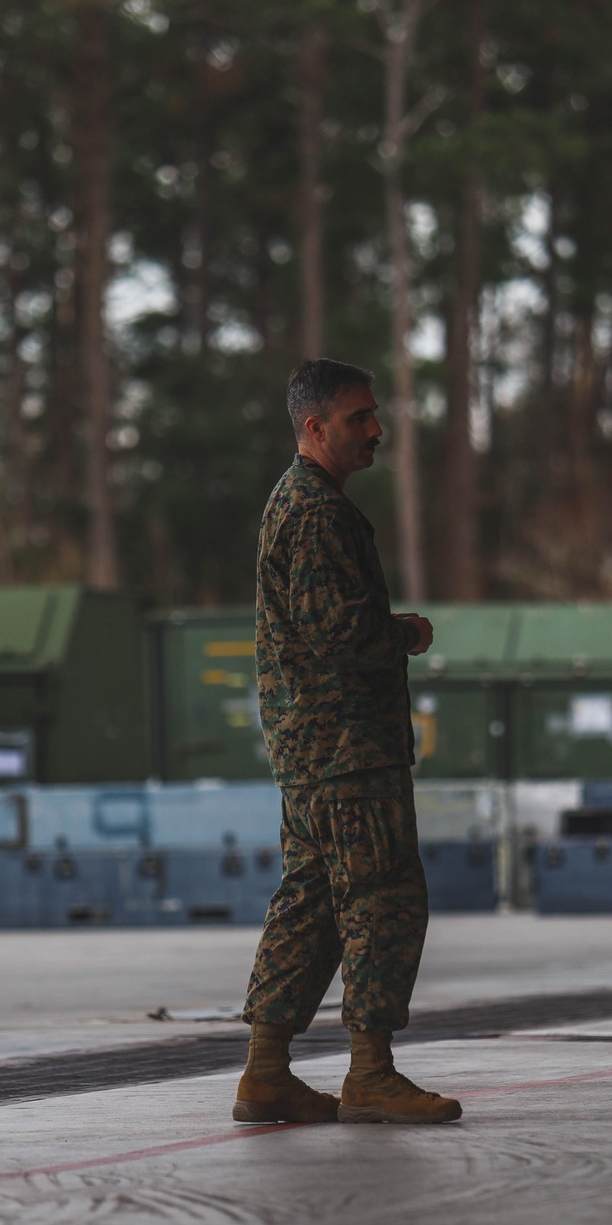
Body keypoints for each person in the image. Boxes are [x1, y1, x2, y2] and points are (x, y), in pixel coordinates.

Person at [233, 358, 462, 1126]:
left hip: (312, 755)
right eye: (360, 417)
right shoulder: (317, 513)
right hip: (346, 753)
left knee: (312, 906)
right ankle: (371, 1071)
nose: (376, 429)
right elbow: (341, 633)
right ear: (314, 427)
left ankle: (266, 1073)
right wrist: (405, 632)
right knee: (383, 898)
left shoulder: (299, 504)